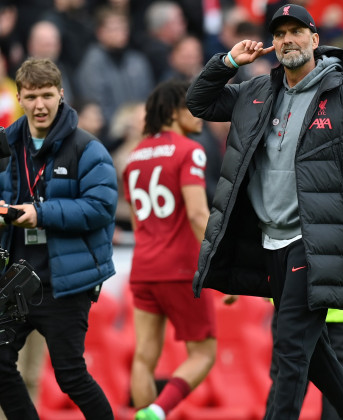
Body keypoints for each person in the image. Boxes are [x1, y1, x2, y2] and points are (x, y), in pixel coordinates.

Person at [186, 4, 343, 419]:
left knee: (289, 351)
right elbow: (199, 103)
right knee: (313, 353)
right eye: (279, 34)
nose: (286, 40)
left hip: (313, 243)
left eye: (296, 31)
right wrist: (227, 62)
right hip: (270, 242)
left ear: (315, 40)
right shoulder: (256, 91)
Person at [0, 57, 118, 420]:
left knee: (70, 376)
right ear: (19, 98)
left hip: (64, 283)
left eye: (46, 95)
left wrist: (40, 214)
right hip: (15, 278)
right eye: (31, 96)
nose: (39, 105)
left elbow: (101, 208)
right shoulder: (5, 143)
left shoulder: (88, 148)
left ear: (60, 95)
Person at [123, 80, 217, 420]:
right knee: (204, 353)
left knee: (144, 357)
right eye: (194, 106)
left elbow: (137, 223)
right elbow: (196, 213)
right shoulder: (189, 150)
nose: (202, 114)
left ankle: (145, 413)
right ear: (176, 111)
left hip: (143, 266)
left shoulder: (134, 156)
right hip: (179, 267)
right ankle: (160, 410)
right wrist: (223, 259)